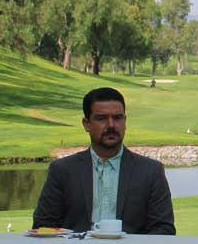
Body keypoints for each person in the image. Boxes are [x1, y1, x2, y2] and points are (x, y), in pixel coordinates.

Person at [33, 87, 174, 234]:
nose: (111, 125)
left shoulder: (150, 171)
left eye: (118, 118)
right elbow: (43, 226)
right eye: (102, 118)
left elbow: (164, 229)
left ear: (125, 122)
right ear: (86, 124)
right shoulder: (62, 170)